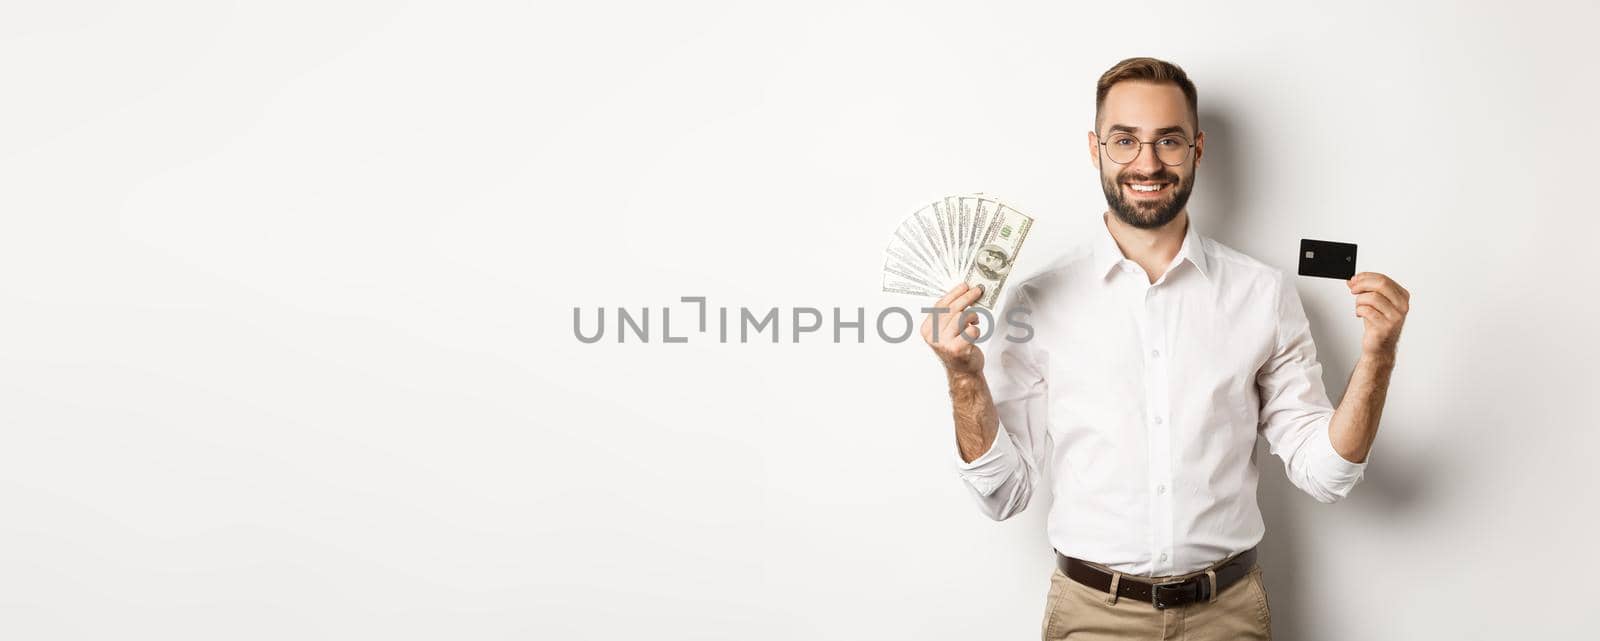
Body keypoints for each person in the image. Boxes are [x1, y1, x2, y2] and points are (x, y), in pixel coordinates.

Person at [920, 57, 1410, 640]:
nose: (1147, 163)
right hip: (1090, 618)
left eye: (1168, 141)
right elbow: (1002, 495)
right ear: (1094, 147)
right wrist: (963, 378)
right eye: (1124, 140)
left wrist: (1378, 357)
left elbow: (1326, 474)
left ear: (1197, 149)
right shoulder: (1035, 301)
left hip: (1226, 618)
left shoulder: (1262, 293)